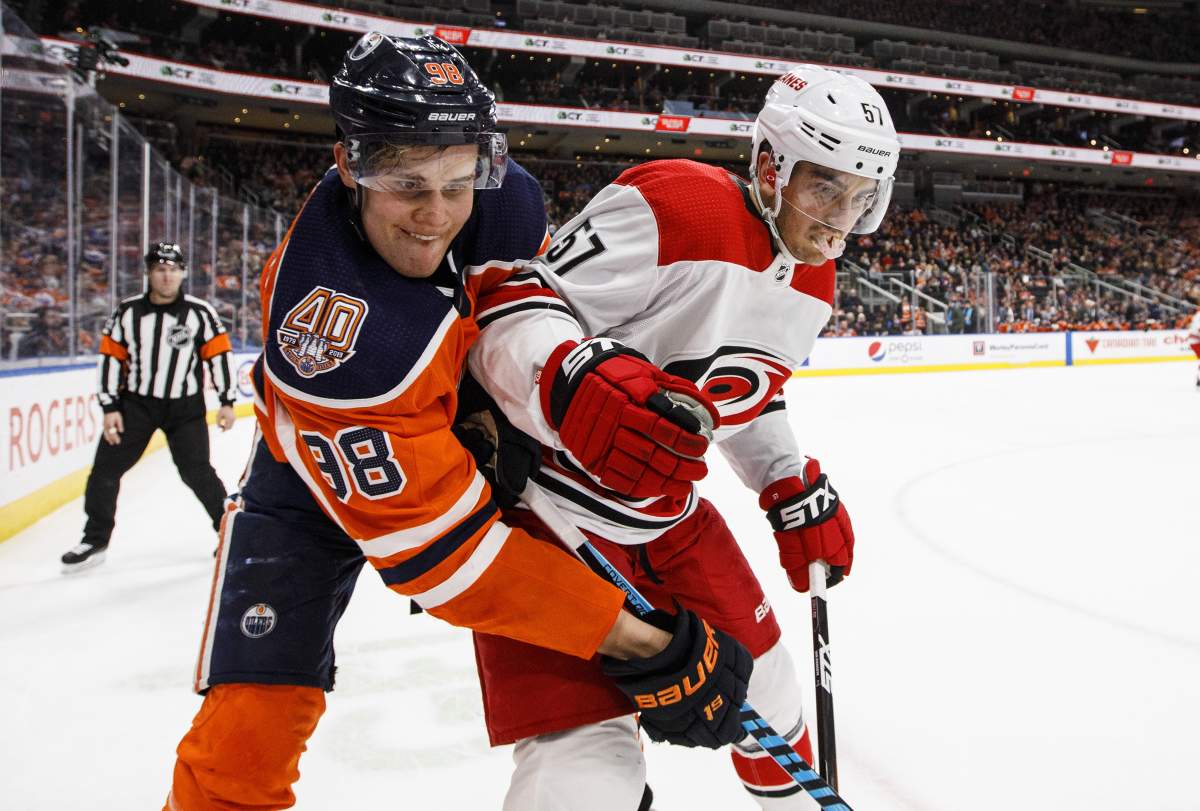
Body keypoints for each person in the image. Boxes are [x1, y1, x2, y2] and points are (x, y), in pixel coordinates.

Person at [164, 33, 751, 811]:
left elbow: (514, 319)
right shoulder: (334, 347)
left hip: (451, 438)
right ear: (350, 164)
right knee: (246, 740)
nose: (436, 213)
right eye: (407, 182)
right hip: (308, 478)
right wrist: (646, 643)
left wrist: (566, 384)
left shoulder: (504, 199)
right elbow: (454, 563)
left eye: (456, 180)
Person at [466, 65, 901, 809]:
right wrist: (564, 386)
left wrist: (785, 480)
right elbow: (512, 309)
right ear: (770, 168)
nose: (841, 218)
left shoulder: (814, 282)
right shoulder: (674, 206)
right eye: (826, 187)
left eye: (864, 198)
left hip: (667, 517)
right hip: (548, 515)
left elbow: (742, 388)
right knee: (584, 767)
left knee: (771, 690)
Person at [61, 243, 237, 573]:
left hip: (185, 407)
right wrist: (109, 406)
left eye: (172, 268)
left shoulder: (200, 313)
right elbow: (111, 359)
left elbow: (219, 357)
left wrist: (227, 401)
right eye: (159, 269)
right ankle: (94, 540)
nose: (167, 275)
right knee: (105, 471)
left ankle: (229, 533)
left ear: (182, 272)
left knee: (197, 472)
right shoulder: (127, 312)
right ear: (148, 274)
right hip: (136, 406)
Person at [1187, 307, 1200, 388]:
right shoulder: (1199, 316)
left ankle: (1198, 379)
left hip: (1194, 341)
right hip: (1195, 341)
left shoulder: (1197, 316)